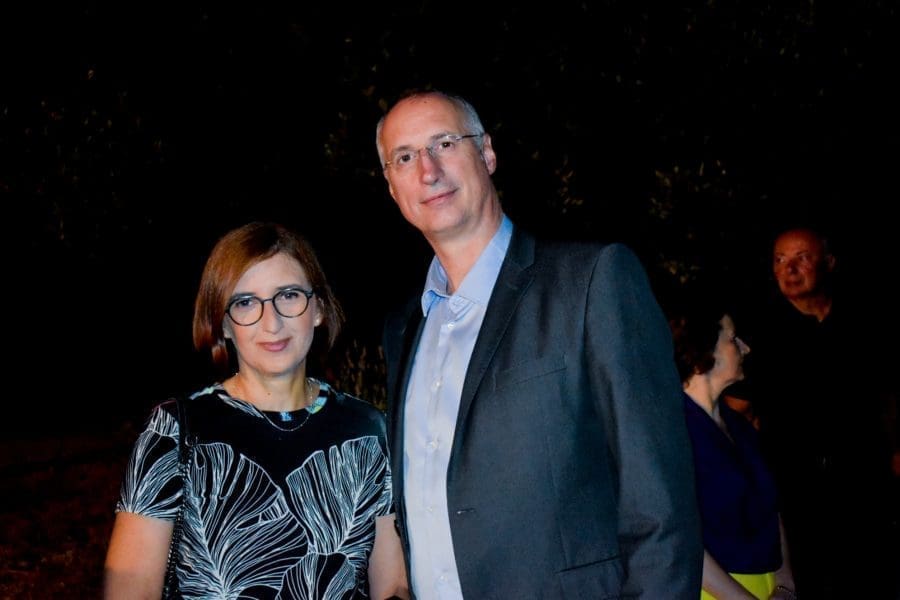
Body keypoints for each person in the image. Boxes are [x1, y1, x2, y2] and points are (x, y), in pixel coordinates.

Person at [375, 89, 703, 598]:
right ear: (393, 188)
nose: (427, 171)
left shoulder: (592, 281)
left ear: (487, 153)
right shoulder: (403, 329)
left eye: (444, 144)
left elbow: (660, 505)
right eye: (404, 157)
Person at [103, 222, 408, 599]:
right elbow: (130, 588)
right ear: (224, 324)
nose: (272, 322)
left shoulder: (366, 431)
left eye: (289, 295)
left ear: (318, 308)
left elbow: (393, 584)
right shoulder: (176, 430)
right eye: (246, 303)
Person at [743, 226, 898, 599]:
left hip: (864, 478)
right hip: (795, 488)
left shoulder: (865, 320)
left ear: (828, 262)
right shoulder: (760, 331)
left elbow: (888, 395)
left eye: (802, 258)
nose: (789, 269)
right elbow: (739, 408)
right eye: (780, 260)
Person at [670, 304, 795, 600]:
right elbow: (680, 540)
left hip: (770, 588)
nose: (745, 348)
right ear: (703, 353)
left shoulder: (740, 426)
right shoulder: (673, 434)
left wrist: (785, 585)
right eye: (732, 339)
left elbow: (771, 511)